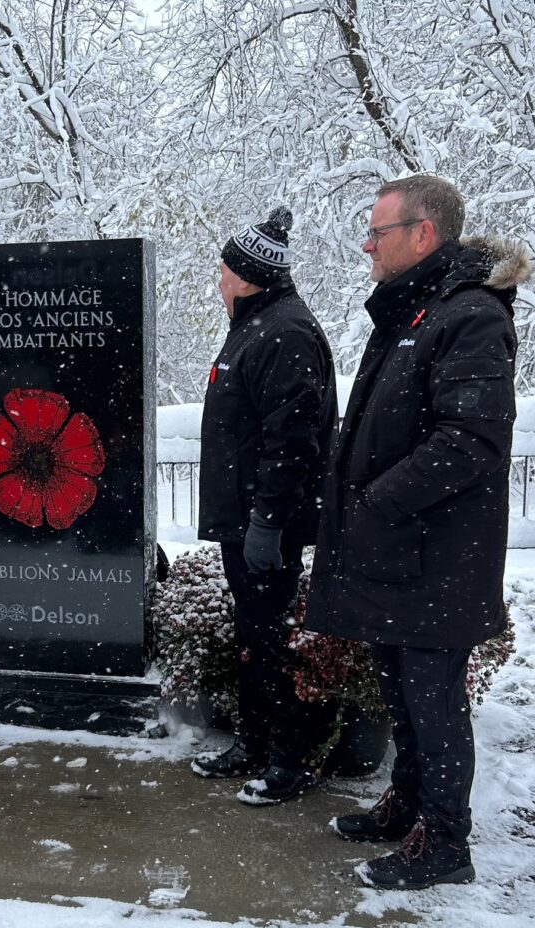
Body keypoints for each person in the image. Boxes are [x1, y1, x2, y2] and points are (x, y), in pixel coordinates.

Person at [309, 175, 525, 889]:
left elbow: (471, 439)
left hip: (437, 557)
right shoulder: (415, 310)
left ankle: (445, 843)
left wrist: (377, 501)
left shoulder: (470, 315)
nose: (367, 246)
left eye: (378, 232)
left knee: (433, 702)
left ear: (422, 234)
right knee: (400, 693)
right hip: (401, 554)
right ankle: (407, 805)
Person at [191, 206, 338, 804]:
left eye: (225, 270)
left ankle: (289, 761)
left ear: (247, 276)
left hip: (264, 524)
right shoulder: (256, 325)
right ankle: (253, 743)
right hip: (245, 518)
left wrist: (267, 523)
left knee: (274, 641)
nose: (219, 279)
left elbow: (293, 441)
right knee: (254, 635)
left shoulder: (284, 333)